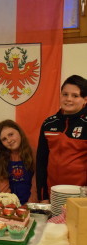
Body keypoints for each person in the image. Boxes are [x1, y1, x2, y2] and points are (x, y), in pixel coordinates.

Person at [36, 74, 87, 203]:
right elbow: (41, 162)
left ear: (85, 100)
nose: (68, 99)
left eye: (75, 96)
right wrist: (43, 197)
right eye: (65, 94)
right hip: (53, 195)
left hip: (81, 198)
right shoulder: (48, 124)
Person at [0, 120, 34, 205]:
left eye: (11, 135)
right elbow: (4, 190)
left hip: (31, 203)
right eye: (4, 139)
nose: (9, 140)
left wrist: (30, 204)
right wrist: (12, 206)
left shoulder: (34, 153)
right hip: (10, 205)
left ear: (19, 132)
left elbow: (36, 184)